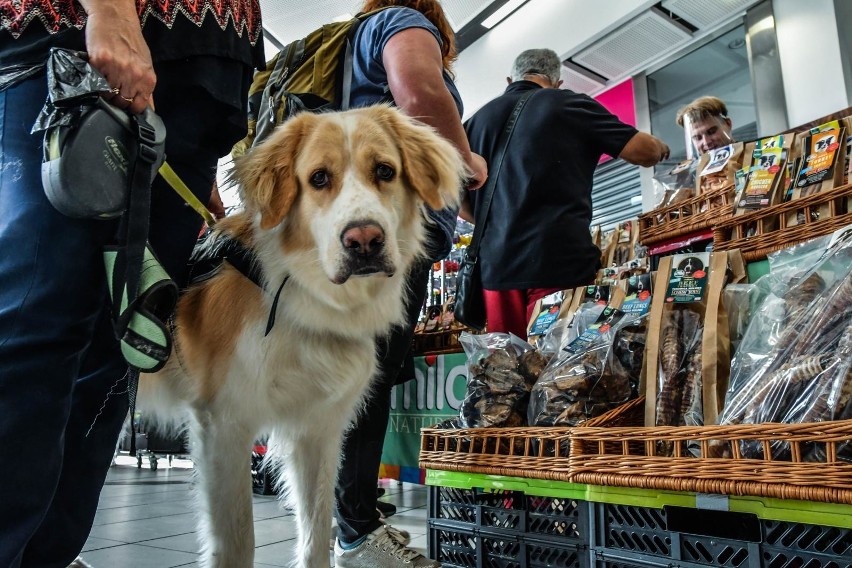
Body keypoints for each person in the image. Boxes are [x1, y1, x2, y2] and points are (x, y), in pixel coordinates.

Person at [0, 1, 263, 566]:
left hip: (195, 71)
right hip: (78, 39)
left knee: (119, 343)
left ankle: (46, 554)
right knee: (38, 325)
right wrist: (112, 11)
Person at [333, 1, 487, 567]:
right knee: (365, 384)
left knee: (354, 378)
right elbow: (420, 93)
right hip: (386, 239)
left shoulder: (355, 44)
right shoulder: (401, 20)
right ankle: (355, 532)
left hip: (357, 238)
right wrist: (465, 163)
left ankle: (351, 519)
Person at [462, 48, 669, 339]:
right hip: (557, 261)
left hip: (496, 274)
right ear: (557, 82)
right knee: (561, 371)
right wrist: (662, 147)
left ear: (510, 79)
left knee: (507, 373)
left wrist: (499, 225)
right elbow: (644, 152)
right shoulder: (568, 104)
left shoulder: (473, 123)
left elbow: (455, 201)